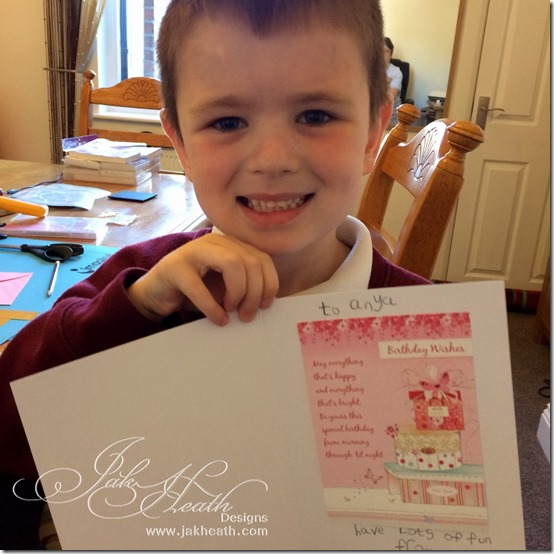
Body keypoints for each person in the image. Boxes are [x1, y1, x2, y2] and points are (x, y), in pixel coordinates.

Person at [0, 0, 429, 483]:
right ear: (180, 143)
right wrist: (135, 308)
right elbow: (11, 435)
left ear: (373, 134)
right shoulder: (139, 286)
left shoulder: (432, 329)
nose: (272, 160)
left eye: (315, 116)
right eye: (227, 122)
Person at [384, 36, 403, 125]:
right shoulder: (369, 70)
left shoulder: (396, 72)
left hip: (392, 115)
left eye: (385, 51)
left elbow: (390, 97)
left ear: (391, 54)